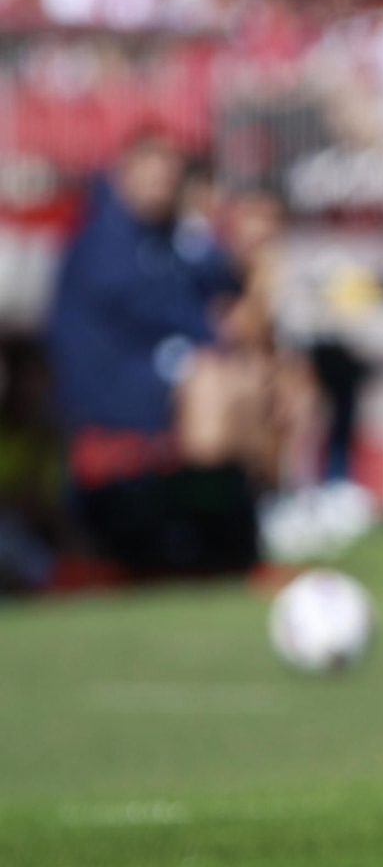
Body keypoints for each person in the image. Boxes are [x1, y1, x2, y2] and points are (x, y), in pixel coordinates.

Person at [46, 136, 292, 576]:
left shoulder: (172, 236)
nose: (162, 183)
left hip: (160, 369)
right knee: (212, 382)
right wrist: (217, 336)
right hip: (110, 381)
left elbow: (216, 282)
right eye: (151, 172)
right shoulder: (104, 241)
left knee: (258, 377)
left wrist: (248, 257)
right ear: (124, 172)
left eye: (170, 174)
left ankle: (248, 522)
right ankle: (211, 530)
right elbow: (163, 318)